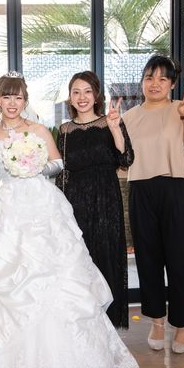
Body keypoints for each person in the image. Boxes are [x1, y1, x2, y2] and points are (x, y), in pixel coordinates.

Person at [0, 72, 139, 368]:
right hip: (8, 208)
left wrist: (34, 165)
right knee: (5, 276)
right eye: (6, 97)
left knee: (58, 271)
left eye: (18, 97)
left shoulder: (40, 129)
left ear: (25, 101)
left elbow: (57, 163)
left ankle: (71, 353)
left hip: (42, 204)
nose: (12, 103)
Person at [122, 54, 184, 354]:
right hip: (141, 190)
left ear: (172, 83)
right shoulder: (129, 117)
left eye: (162, 78)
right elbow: (122, 162)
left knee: (180, 260)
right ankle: (157, 322)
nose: (154, 84)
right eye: (149, 77)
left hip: (176, 188)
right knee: (148, 259)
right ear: (142, 82)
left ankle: (182, 325)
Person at [56, 71, 134, 329]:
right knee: (81, 261)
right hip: (75, 203)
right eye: (76, 92)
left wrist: (115, 128)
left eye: (87, 91)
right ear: (70, 97)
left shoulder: (110, 121)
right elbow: (62, 172)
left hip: (105, 200)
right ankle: (85, 325)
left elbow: (126, 159)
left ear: (96, 95)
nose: (82, 97)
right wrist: (60, 210)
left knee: (107, 257)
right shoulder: (65, 130)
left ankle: (109, 324)